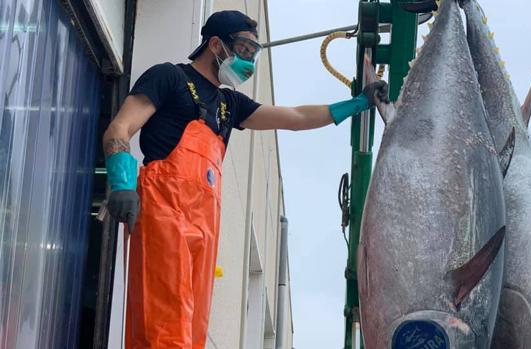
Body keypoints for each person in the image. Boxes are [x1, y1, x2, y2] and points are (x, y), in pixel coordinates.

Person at [102, 10, 388, 348]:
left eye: (255, 52)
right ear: (215, 44)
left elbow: (294, 117)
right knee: (163, 325)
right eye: (244, 48)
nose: (249, 60)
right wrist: (121, 183)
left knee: (191, 330)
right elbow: (119, 128)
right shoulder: (169, 78)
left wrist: (356, 104)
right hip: (164, 214)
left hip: (203, 223)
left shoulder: (230, 104)